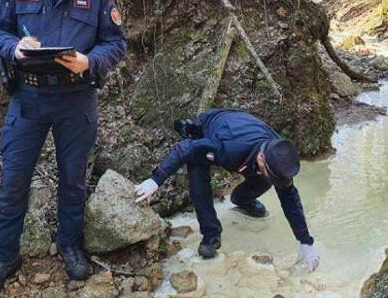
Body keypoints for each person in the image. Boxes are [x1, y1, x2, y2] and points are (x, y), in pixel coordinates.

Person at [0, 0, 127, 296]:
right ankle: (4, 258)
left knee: (73, 179)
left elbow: (117, 43)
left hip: (77, 99)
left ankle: (69, 245)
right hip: (29, 98)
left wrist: (89, 61)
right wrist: (15, 47)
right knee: (13, 181)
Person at [135, 109, 321, 270]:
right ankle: (211, 236)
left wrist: (306, 242)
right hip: (214, 128)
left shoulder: (279, 152)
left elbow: (290, 199)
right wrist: (155, 181)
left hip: (241, 125)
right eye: (267, 171)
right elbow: (184, 149)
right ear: (261, 159)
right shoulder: (227, 148)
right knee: (198, 181)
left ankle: (241, 200)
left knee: (266, 181)